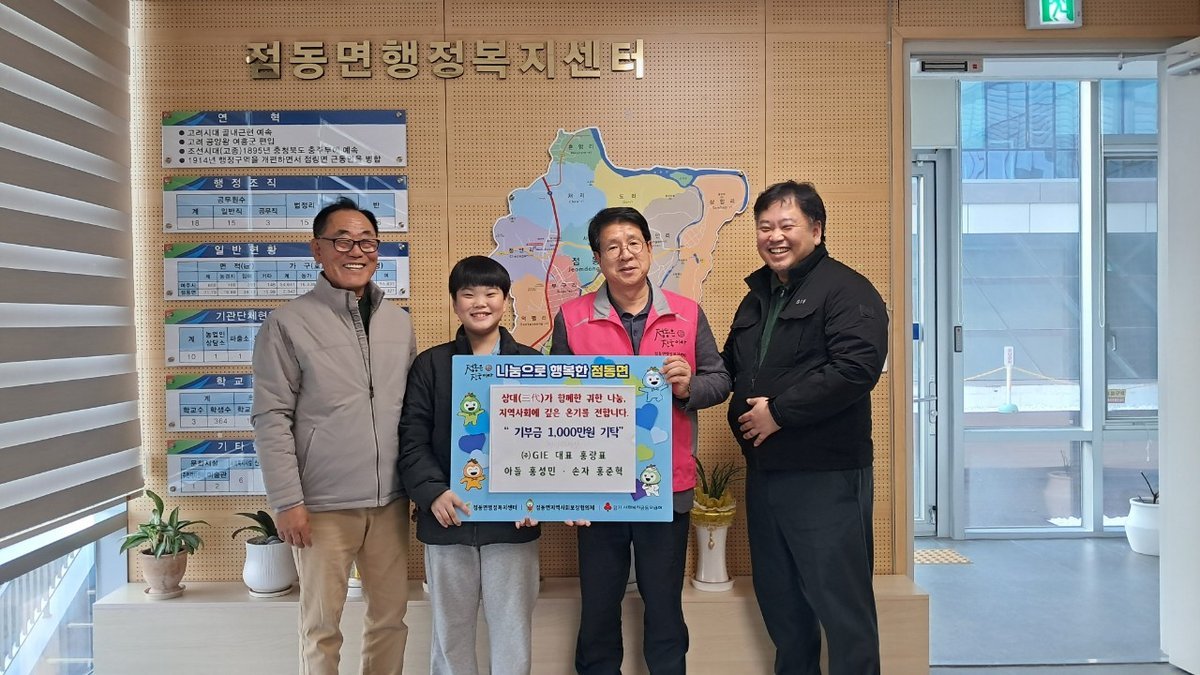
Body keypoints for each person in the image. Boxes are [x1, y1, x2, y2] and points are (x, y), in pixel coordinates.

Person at [550, 206, 731, 674]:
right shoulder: (571, 318)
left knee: (665, 604)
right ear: (597, 258)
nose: (625, 254)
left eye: (633, 243)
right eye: (612, 246)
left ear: (649, 249)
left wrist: (688, 386)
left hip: (666, 485)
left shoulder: (686, 314)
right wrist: (565, 488)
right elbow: (556, 400)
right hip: (597, 488)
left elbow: (720, 380)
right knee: (598, 605)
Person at [723, 181, 889, 675]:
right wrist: (690, 381)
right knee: (782, 605)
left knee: (842, 608)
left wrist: (779, 412)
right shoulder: (757, 297)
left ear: (816, 230)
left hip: (825, 477)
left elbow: (856, 369)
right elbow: (732, 366)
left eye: (786, 225)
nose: (774, 236)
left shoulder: (847, 289)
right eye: (765, 227)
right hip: (766, 474)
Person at [251, 197, 417, 675]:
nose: (355, 251)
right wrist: (287, 501)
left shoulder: (398, 321)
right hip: (321, 506)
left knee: (390, 621)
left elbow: (411, 414)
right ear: (317, 250)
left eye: (367, 241)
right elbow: (271, 417)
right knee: (321, 628)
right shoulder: (287, 324)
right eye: (341, 241)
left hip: (390, 502)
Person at [398, 255, 542, 675]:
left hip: (513, 524)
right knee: (450, 635)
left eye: (491, 293)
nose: (480, 303)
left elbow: (547, 442)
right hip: (448, 521)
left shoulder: (532, 364)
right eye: (468, 294)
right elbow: (411, 439)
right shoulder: (431, 365)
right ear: (455, 303)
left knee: (513, 633)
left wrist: (538, 497)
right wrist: (433, 492)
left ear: (506, 300)